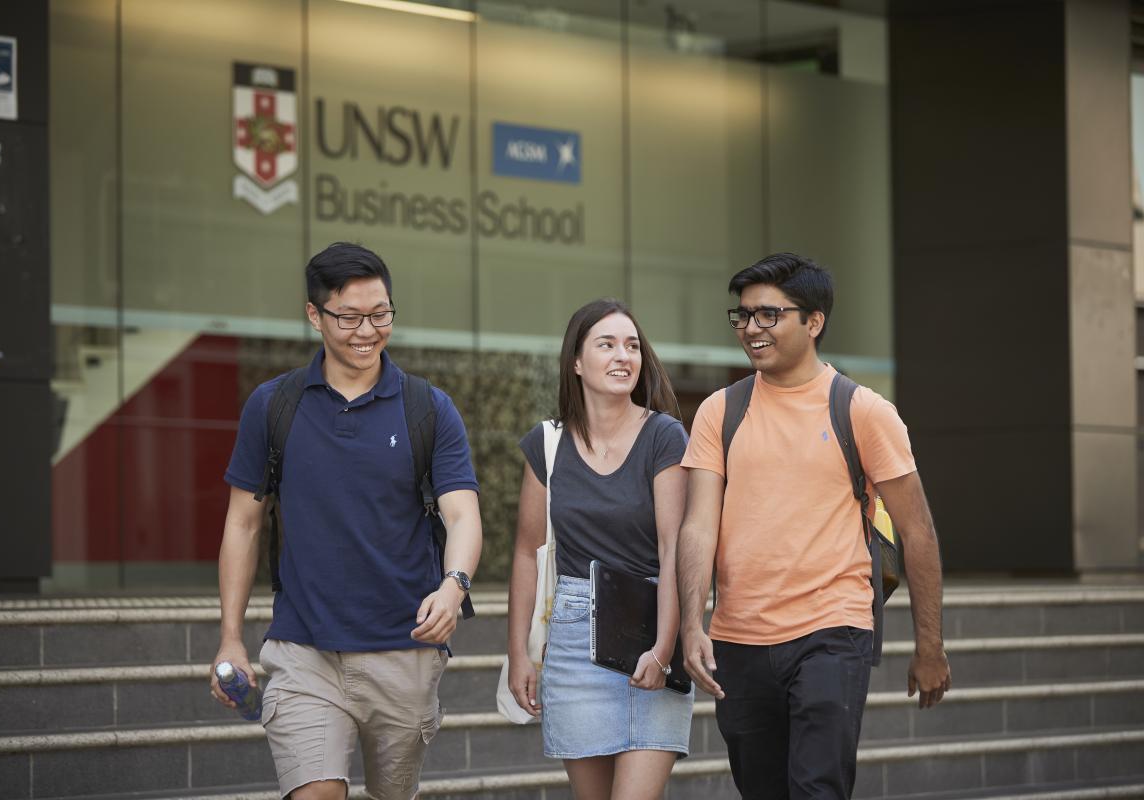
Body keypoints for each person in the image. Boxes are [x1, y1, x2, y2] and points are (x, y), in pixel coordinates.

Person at [211, 242, 482, 800]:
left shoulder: (427, 409)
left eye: (380, 314)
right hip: (303, 649)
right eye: (349, 317)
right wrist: (230, 639)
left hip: (404, 651)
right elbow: (243, 523)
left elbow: (463, 514)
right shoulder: (273, 406)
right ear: (314, 316)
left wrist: (454, 588)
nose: (367, 330)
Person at [676, 253, 951, 799]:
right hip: (739, 639)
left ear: (814, 321)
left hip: (832, 631)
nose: (752, 329)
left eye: (769, 315)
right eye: (744, 316)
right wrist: (691, 623)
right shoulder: (718, 412)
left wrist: (930, 646)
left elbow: (917, 530)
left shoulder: (863, 411)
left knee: (817, 788)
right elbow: (698, 527)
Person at [506, 298, 694, 800]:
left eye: (632, 346)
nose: (623, 356)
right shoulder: (547, 445)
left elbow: (675, 548)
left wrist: (665, 646)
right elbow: (528, 552)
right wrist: (518, 653)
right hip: (573, 643)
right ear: (576, 362)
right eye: (606, 344)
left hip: (652, 632)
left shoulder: (665, 436)